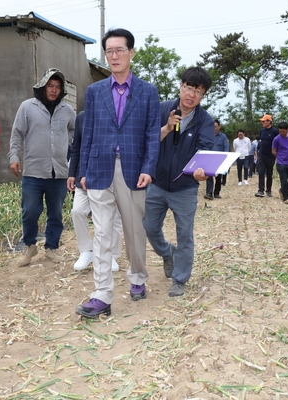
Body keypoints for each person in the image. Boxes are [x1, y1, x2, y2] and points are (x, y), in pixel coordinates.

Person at [75, 28, 160, 318]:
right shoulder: (96, 91)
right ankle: (102, 295)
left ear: (131, 53)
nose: (114, 56)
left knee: (135, 231)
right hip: (99, 169)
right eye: (109, 51)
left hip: (133, 170)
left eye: (119, 50)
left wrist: (149, 168)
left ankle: (137, 277)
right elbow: (88, 134)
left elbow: (151, 134)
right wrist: (83, 169)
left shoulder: (147, 92)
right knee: (101, 234)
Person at [143, 66, 214, 297]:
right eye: (189, 87)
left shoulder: (204, 120)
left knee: (185, 235)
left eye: (198, 91)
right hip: (158, 182)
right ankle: (167, 253)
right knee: (150, 228)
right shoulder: (162, 109)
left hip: (185, 187)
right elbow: (146, 141)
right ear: (181, 86)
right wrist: (165, 128)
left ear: (203, 95)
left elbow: (205, 151)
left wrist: (201, 172)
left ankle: (180, 279)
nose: (192, 95)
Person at [8, 68, 75, 267]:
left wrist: (67, 142)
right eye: (50, 86)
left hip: (59, 172)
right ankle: (29, 246)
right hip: (34, 171)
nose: (54, 90)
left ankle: (51, 248)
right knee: (29, 210)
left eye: (57, 87)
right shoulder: (27, 107)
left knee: (55, 212)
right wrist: (13, 157)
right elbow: (16, 134)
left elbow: (73, 130)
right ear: (42, 86)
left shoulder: (67, 110)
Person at [67, 111, 123, 272]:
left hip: (112, 174)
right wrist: (72, 174)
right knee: (77, 211)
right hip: (85, 173)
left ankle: (111, 254)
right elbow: (76, 147)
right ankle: (87, 250)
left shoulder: (119, 115)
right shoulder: (82, 118)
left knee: (115, 216)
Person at [272, 121, 288, 204]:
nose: (281, 133)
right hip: (281, 162)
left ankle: (282, 190)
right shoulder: (276, 139)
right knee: (283, 180)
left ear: (287, 130)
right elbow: (273, 151)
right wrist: (280, 157)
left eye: (283, 131)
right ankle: (286, 198)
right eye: (280, 131)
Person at [204, 120, 229, 199]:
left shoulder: (223, 137)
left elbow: (226, 147)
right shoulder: (208, 136)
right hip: (210, 158)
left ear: (219, 127)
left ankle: (216, 193)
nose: (214, 128)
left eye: (216, 126)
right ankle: (209, 193)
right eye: (213, 127)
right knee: (209, 176)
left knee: (218, 177)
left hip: (219, 159)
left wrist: (226, 157)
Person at [255, 114, 279, 197]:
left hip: (270, 155)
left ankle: (268, 190)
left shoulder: (275, 131)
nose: (262, 122)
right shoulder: (262, 131)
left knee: (269, 173)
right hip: (262, 154)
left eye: (263, 121)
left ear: (269, 121)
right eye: (261, 121)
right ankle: (260, 190)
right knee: (261, 172)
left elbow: (277, 143)